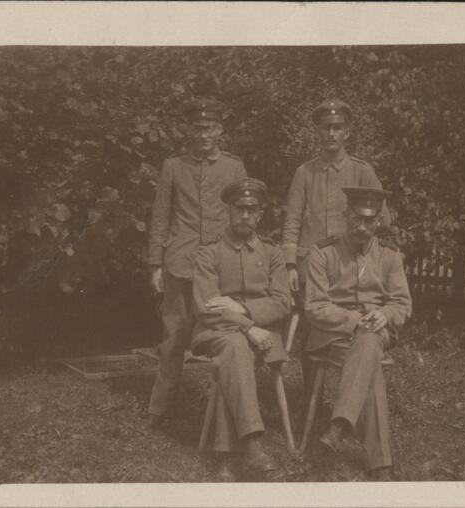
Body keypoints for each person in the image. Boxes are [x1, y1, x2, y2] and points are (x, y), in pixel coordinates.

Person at [146, 98, 248, 427]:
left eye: (209, 128)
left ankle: (227, 412)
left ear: (219, 130)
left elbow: (242, 217)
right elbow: (161, 216)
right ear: (189, 131)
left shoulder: (233, 167)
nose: (203, 134)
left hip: (219, 267)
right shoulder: (173, 167)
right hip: (180, 262)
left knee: (225, 332)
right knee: (174, 336)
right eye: (197, 128)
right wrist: (155, 264)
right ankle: (159, 410)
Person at [281, 98, 391, 392]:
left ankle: (349, 398)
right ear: (318, 131)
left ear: (347, 133)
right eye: (326, 127)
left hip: (348, 266)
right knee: (311, 333)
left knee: (352, 329)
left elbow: (384, 219)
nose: (331, 133)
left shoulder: (361, 171)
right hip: (311, 266)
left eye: (337, 127)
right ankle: (310, 401)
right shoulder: (305, 173)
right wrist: (290, 265)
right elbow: (292, 221)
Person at [303, 186, 411, 481]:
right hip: (332, 334)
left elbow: (402, 304)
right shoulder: (322, 253)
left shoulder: (389, 255)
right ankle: (380, 466)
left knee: (368, 341)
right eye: (356, 219)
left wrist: (384, 314)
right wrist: (353, 319)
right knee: (371, 362)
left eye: (369, 220)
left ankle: (339, 426)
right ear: (344, 216)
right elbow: (314, 306)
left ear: (378, 221)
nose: (362, 227)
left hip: (374, 330)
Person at [191, 178, 292, 481]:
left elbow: (283, 303)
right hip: (217, 333)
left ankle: (225, 457)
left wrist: (242, 309)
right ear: (229, 211)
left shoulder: (272, 253)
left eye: (251, 209)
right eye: (239, 209)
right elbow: (208, 308)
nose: (245, 215)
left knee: (232, 358)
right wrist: (248, 327)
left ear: (260, 214)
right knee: (235, 346)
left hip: (263, 336)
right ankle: (251, 444)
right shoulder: (209, 252)